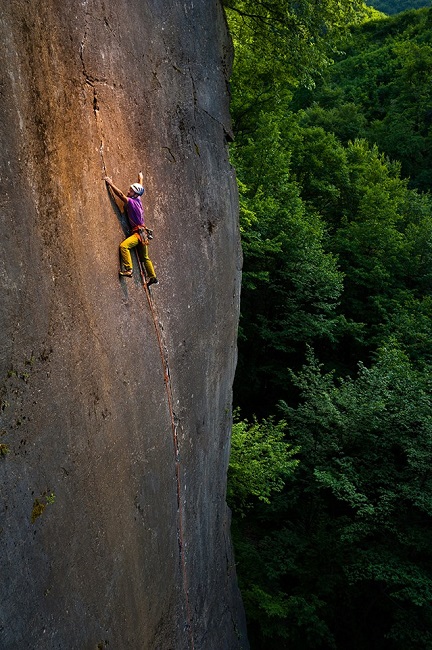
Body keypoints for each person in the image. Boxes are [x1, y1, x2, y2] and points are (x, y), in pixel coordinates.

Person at [104, 172, 158, 286]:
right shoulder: (138, 198)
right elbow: (139, 188)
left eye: (131, 191)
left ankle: (129, 269)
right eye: (130, 189)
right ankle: (153, 276)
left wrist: (111, 184)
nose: (129, 191)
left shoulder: (132, 202)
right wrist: (140, 179)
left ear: (134, 195)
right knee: (145, 257)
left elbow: (120, 195)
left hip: (138, 234)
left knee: (124, 246)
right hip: (143, 233)